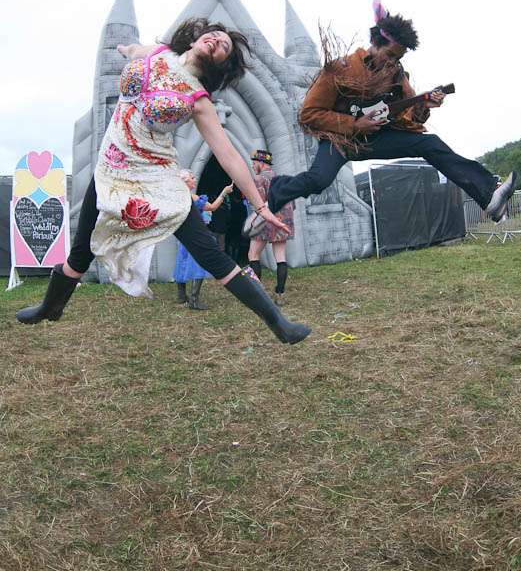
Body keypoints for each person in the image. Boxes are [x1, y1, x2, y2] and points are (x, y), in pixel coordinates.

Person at [16, 19, 311, 346]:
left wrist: (260, 205)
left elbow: (229, 155)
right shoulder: (158, 53)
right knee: (81, 253)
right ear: (196, 39)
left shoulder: (199, 99)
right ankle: (50, 308)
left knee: (209, 254)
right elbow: (133, 51)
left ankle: (279, 323)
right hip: (113, 169)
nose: (217, 40)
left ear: (220, 65)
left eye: (224, 47)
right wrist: (126, 48)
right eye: (214, 35)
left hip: (157, 179)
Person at [245, 0, 517, 237]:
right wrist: (354, 124)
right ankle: (276, 193)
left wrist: (426, 105)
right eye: (389, 55)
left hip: (375, 139)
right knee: (318, 180)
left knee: (429, 143)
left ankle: (488, 194)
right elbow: (308, 114)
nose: (392, 63)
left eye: (398, 58)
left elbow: (412, 120)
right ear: (375, 43)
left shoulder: (396, 74)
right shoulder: (340, 69)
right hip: (340, 141)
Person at [174, 169, 233, 310]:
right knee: (197, 263)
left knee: (182, 261)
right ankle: (194, 300)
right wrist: (224, 192)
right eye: (192, 178)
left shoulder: (177, 197)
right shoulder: (193, 198)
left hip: (183, 233)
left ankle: (182, 296)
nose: (194, 180)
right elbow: (212, 207)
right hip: (195, 234)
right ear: (185, 182)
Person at [247, 150, 294, 306]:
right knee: (280, 257)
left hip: (265, 221)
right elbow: (292, 204)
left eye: (254, 163)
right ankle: (280, 294)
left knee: (253, 254)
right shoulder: (282, 179)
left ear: (261, 163)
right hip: (284, 221)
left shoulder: (259, 179)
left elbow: (258, 204)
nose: (253, 166)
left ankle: (258, 296)